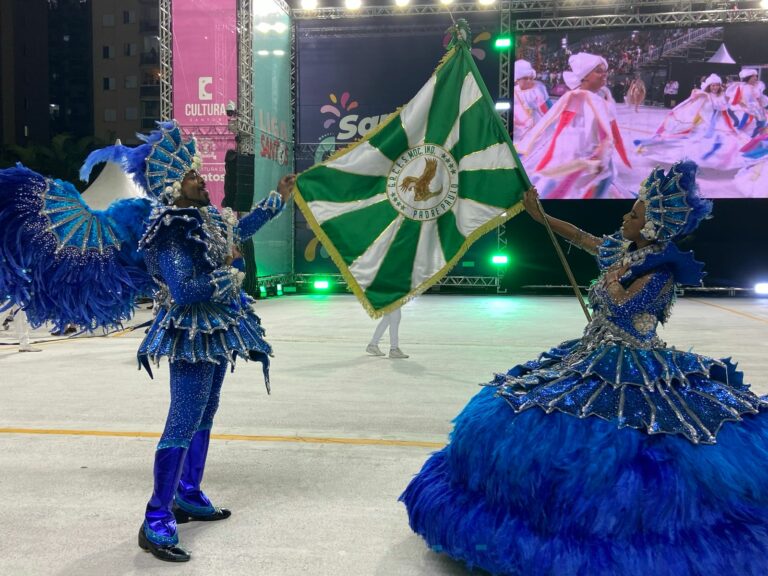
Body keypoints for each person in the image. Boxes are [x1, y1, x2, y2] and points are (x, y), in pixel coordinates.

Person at [400, 160, 768, 575]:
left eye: (633, 214)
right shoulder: (624, 254)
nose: (624, 217)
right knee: (527, 407)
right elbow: (580, 237)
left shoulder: (660, 273)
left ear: (652, 227)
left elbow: (625, 307)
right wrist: (542, 218)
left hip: (635, 364)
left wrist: (612, 274)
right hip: (591, 354)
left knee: (635, 437)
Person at [132, 123, 295, 562]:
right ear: (173, 187)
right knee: (182, 420)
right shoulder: (170, 230)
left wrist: (279, 197)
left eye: (200, 174)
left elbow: (242, 226)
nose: (203, 180)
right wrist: (230, 273)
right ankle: (156, 519)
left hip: (217, 329)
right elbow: (184, 290)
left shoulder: (209, 218)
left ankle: (187, 493)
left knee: (206, 410)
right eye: (193, 176)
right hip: (189, 334)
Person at [517, 52, 632, 199]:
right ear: (585, 76)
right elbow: (551, 121)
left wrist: (604, 151)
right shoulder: (575, 97)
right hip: (575, 154)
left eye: (605, 71)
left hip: (595, 158)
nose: (604, 74)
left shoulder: (602, 99)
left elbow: (609, 132)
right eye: (598, 71)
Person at [635, 73, 746, 172]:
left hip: (718, 125)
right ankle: (692, 162)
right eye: (713, 85)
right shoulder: (704, 95)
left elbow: (725, 104)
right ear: (709, 86)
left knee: (724, 142)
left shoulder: (721, 96)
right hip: (703, 124)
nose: (715, 87)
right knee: (694, 144)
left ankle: (711, 162)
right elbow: (692, 99)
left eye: (717, 85)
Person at [512, 59, 552, 145]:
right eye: (525, 78)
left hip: (540, 129)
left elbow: (548, 108)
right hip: (520, 132)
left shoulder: (538, 88)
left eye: (531, 78)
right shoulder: (513, 93)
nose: (529, 81)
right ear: (517, 79)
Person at [726, 68, 767, 138]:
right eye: (753, 76)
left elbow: (760, 98)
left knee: (761, 124)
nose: (756, 78)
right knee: (750, 124)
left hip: (756, 109)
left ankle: (754, 136)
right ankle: (745, 135)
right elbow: (741, 100)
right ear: (748, 78)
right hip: (747, 110)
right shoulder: (744, 87)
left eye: (756, 76)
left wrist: (761, 106)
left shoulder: (757, 86)